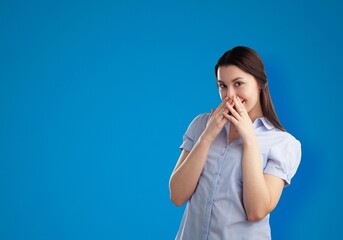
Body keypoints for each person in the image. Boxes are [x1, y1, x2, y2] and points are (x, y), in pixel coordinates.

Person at [169, 46, 301, 239]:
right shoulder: (201, 125)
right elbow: (177, 195)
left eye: (238, 83)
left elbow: (257, 211)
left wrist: (249, 139)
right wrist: (207, 136)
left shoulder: (282, 144)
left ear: (259, 84)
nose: (230, 95)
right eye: (222, 85)